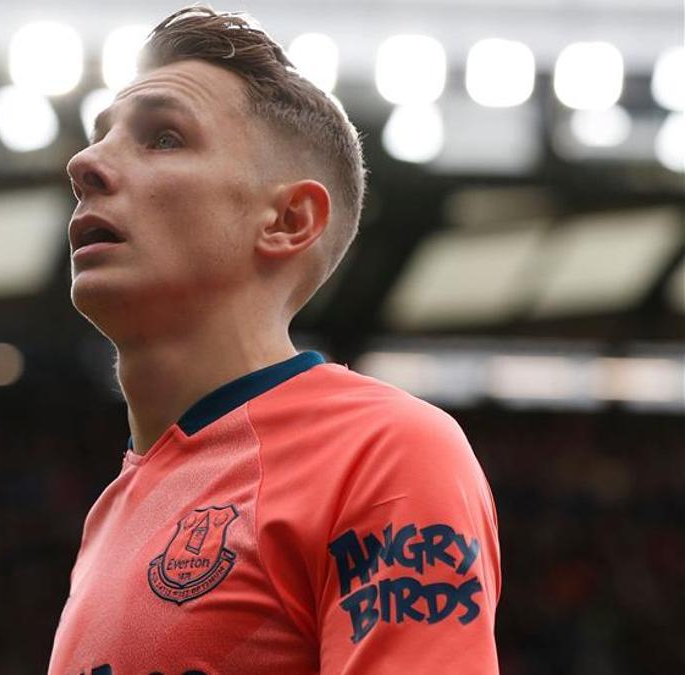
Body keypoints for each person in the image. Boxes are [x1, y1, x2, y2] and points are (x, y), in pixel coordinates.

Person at [48, 6, 501, 674]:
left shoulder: (385, 451)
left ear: (290, 220)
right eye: (99, 136)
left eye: (164, 137)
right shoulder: (107, 513)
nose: (84, 163)